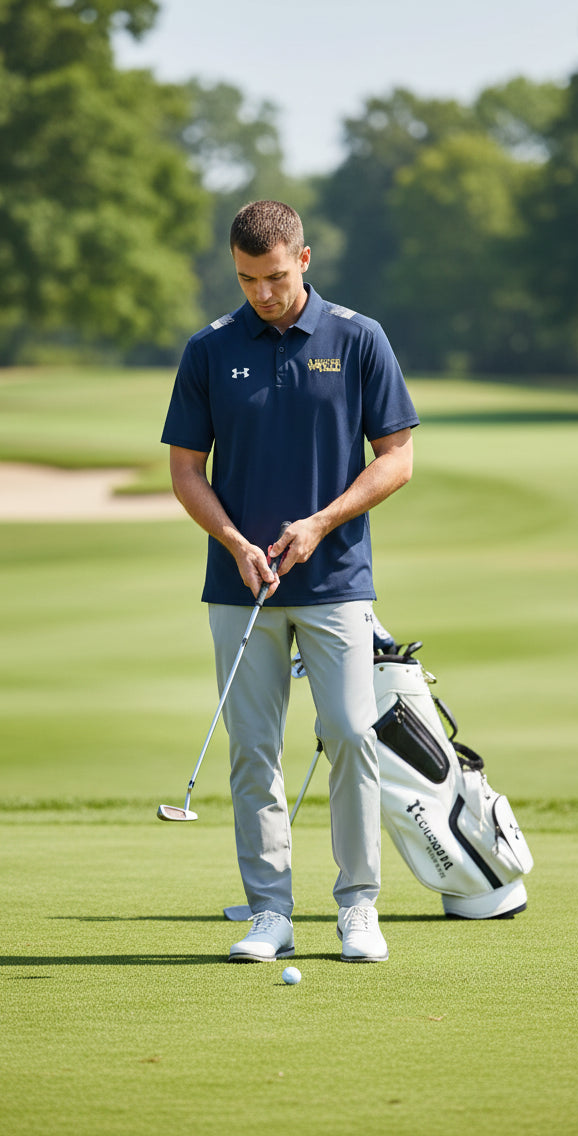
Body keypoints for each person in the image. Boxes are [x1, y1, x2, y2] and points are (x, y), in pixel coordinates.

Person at [161, 200, 418, 963]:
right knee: (254, 751)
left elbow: (396, 458)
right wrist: (234, 540)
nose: (263, 295)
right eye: (247, 280)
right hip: (241, 584)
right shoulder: (208, 349)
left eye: (275, 277)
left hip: (337, 577)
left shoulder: (358, 336)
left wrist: (319, 524)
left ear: (303, 260)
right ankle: (269, 911)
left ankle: (358, 908)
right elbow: (184, 469)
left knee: (348, 735)